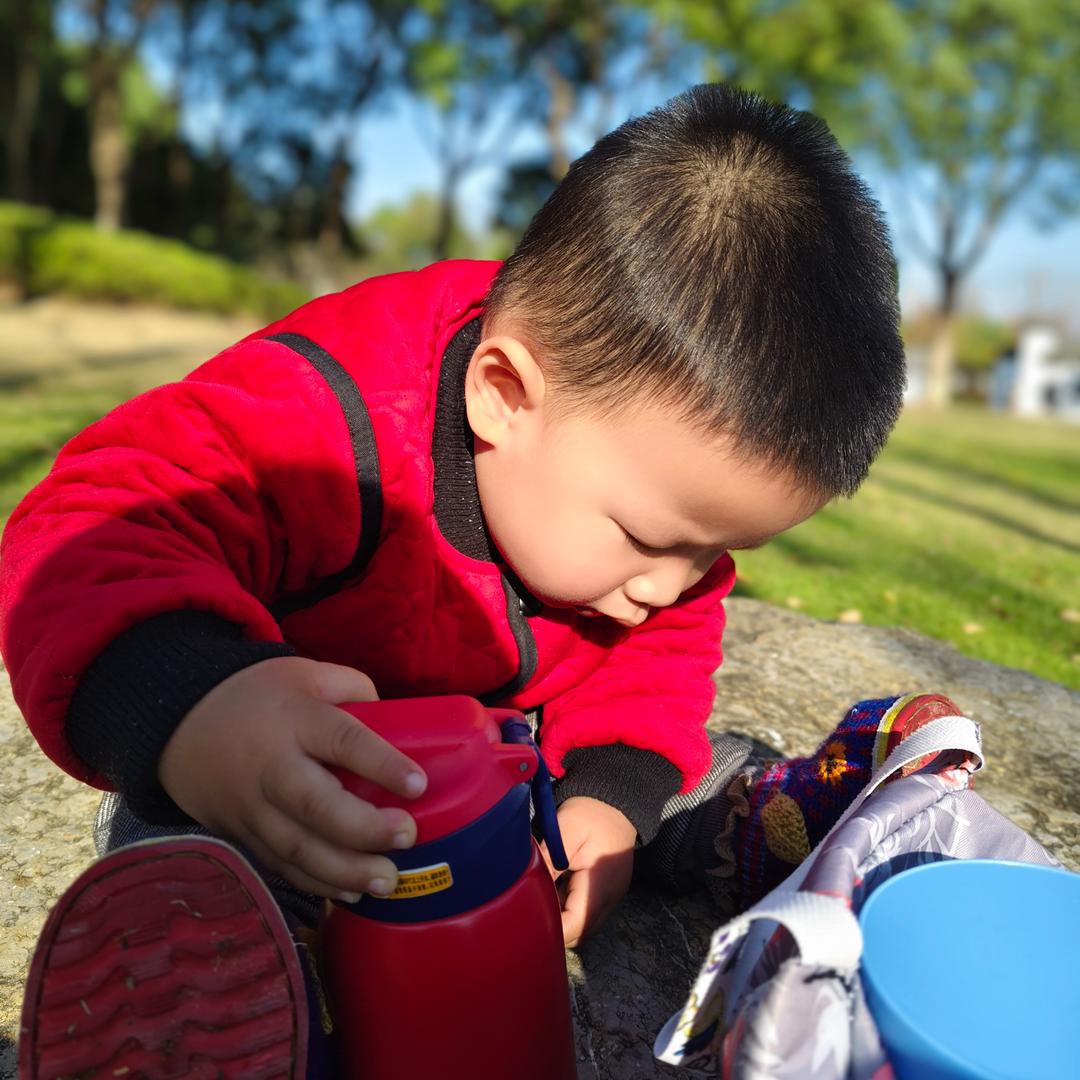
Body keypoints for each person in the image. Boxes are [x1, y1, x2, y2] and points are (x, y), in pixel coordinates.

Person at [2, 84, 906, 1078]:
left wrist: (610, 799)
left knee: (675, 773)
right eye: (648, 540)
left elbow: (661, 655)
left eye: (715, 553)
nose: (671, 589)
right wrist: (193, 707)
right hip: (306, 761)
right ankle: (239, 998)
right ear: (503, 395)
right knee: (210, 850)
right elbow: (87, 526)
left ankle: (785, 823)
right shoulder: (324, 424)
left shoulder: (629, 493)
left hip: (504, 762)